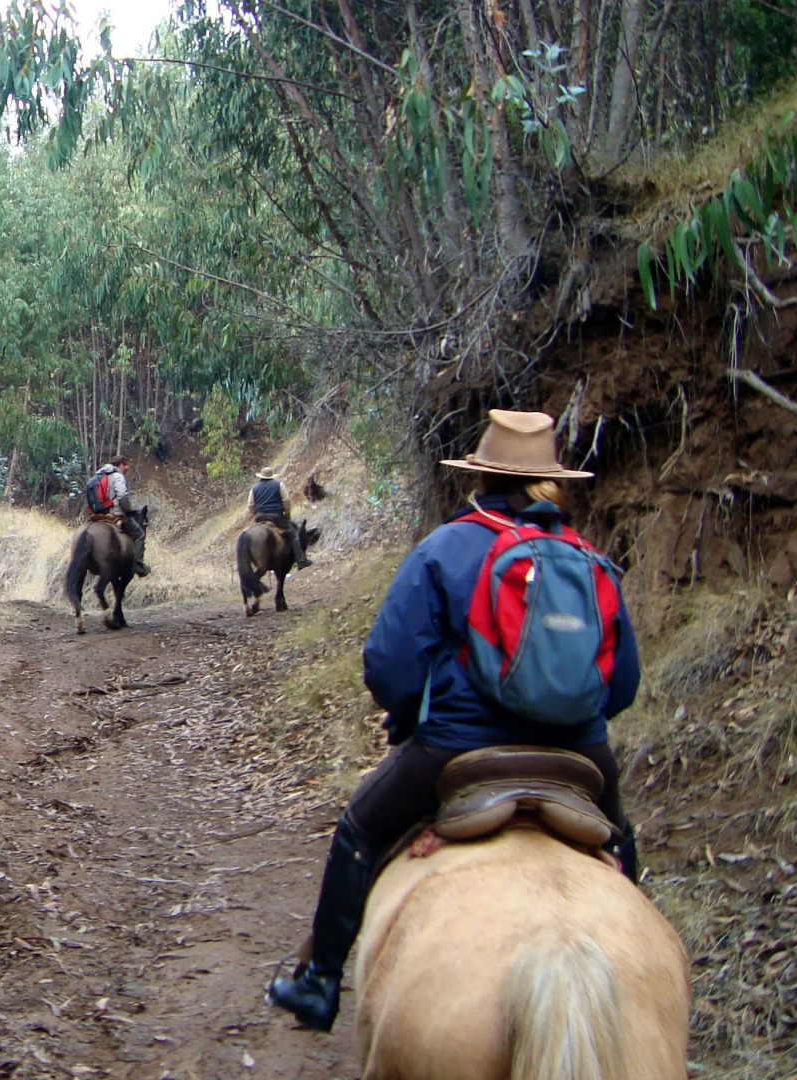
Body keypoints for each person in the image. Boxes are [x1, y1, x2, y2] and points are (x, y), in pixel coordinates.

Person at [265, 409, 643, 1032]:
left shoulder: (445, 548)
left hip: (456, 749)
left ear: (481, 477)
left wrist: (416, 713)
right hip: (581, 756)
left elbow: (388, 667)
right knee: (621, 840)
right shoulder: (589, 561)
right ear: (552, 481)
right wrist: (568, 722)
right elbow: (621, 686)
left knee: (359, 830)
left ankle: (319, 982)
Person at [85, 455, 151, 577]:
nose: (126, 467)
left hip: (98, 514)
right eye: (124, 464)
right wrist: (128, 510)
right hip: (114, 513)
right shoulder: (117, 476)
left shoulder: (98, 475)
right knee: (139, 534)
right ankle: (137, 564)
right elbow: (122, 496)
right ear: (118, 465)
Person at [248, 466, 314, 568]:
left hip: (260, 517)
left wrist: (255, 514)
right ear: (271, 476)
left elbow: (250, 505)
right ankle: (301, 560)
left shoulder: (254, 488)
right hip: (276, 516)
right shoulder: (279, 485)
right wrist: (287, 515)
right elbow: (286, 501)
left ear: (261, 476)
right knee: (293, 535)